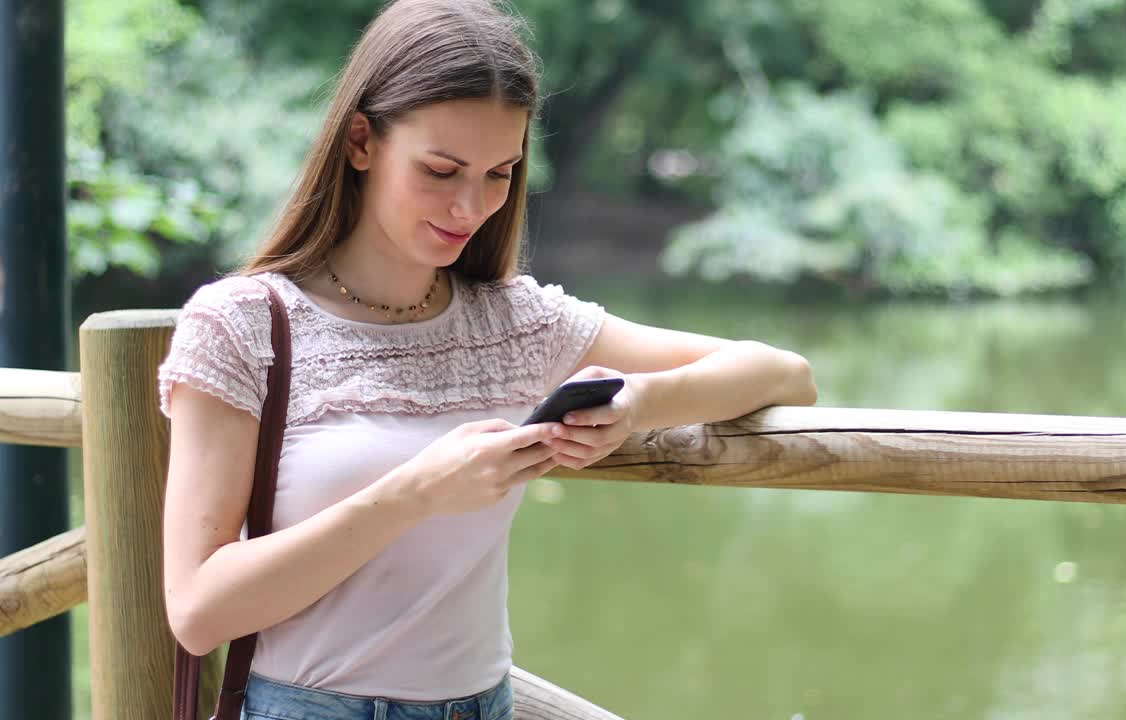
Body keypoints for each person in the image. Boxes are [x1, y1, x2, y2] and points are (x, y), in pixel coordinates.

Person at [157, 0, 818, 718]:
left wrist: (634, 405)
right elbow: (197, 609)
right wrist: (415, 493)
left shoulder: (510, 320)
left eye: (500, 173)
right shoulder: (243, 325)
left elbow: (784, 372)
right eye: (441, 171)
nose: (470, 207)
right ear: (360, 141)